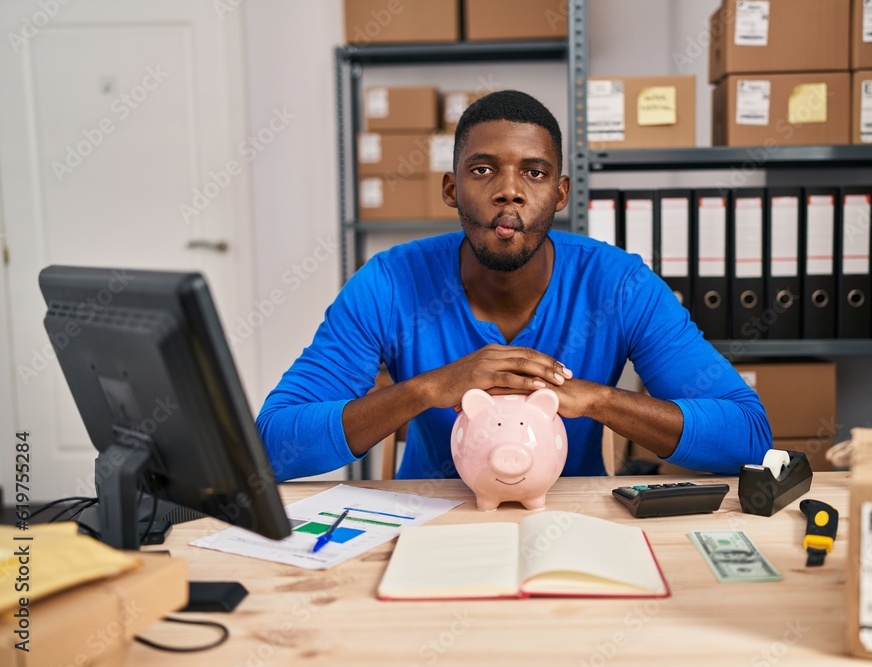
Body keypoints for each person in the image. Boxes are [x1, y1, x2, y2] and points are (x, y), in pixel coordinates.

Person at [257, 90, 771, 481]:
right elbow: (272, 444)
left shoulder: (620, 284)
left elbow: (748, 437)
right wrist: (426, 389)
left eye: (535, 172)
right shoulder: (388, 283)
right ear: (451, 188)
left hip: (566, 525)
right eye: (483, 170)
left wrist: (597, 401)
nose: (509, 191)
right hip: (426, 521)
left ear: (561, 193)